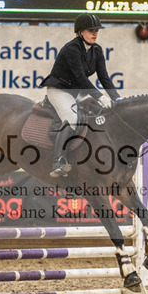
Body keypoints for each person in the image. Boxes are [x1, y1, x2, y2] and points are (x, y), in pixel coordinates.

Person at [41, 13, 121, 178]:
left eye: (96, 30)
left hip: (77, 92)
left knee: (98, 113)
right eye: (91, 30)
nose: (95, 33)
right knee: (72, 118)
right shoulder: (71, 49)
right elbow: (81, 78)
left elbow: (104, 77)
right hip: (59, 90)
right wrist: (100, 97)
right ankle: (58, 160)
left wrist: (117, 98)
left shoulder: (97, 50)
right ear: (80, 32)